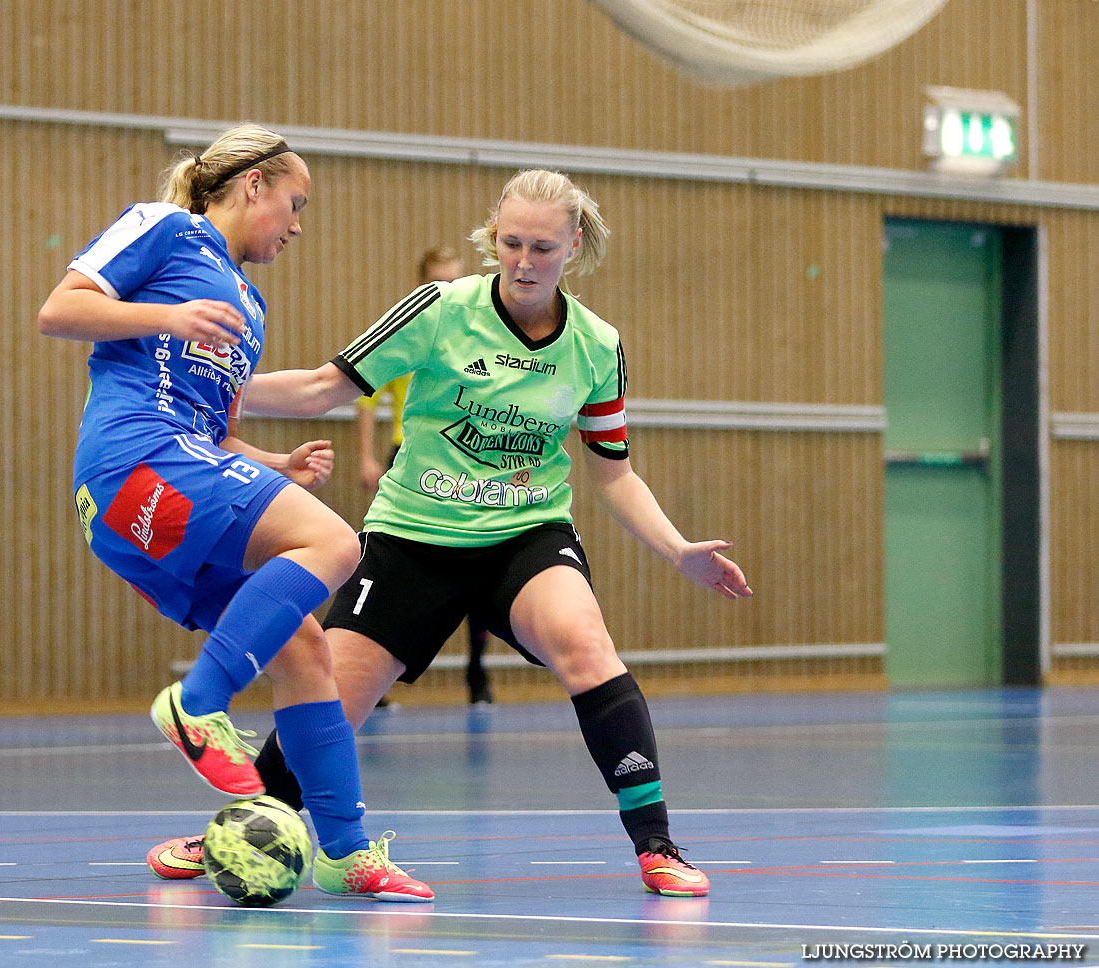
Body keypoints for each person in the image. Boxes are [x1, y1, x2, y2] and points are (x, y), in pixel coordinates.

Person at [146, 169, 752, 898]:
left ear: (575, 245)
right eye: (510, 243)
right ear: (493, 237)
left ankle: (656, 844)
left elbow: (613, 472)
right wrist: (207, 387)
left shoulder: (596, 346)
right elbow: (322, 387)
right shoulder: (439, 310)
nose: (524, 262)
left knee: (586, 646)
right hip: (412, 539)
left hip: (524, 537)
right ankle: (249, 824)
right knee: (330, 700)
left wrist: (678, 549)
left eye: (542, 247)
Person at [38, 123, 431, 901]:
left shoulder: (248, 304)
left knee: (306, 648)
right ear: (252, 184)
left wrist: (274, 465)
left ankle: (348, 854)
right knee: (335, 543)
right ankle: (198, 701)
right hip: (133, 460)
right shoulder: (168, 228)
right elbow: (60, 309)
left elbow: (211, 436)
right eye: (293, 202)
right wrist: (166, 318)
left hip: (168, 481)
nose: (296, 225)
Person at [357, 246, 494, 708]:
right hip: (409, 456)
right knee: (393, 566)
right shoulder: (408, 331)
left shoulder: (476, 335)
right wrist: (367, 457)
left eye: (456, 280)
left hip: (464, 463)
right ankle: (373, 680)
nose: (448, 290)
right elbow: (365, 396)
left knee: (479, 561)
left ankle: (478, 673)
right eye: (440, 281)